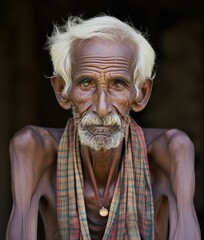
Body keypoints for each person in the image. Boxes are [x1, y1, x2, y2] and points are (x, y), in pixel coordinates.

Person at [6, 15, 201, 240]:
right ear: (62, 90)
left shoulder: (171, 151)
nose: (101, 108)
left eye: (118, 85)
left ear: (141, 94)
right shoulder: (33, 149)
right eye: (86, 83)